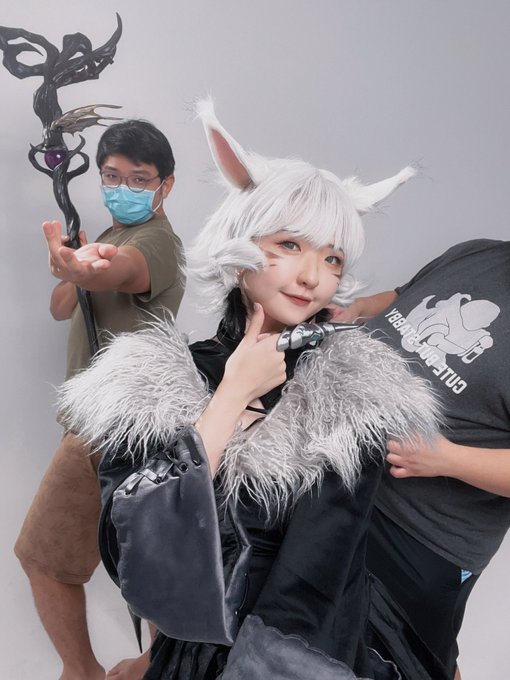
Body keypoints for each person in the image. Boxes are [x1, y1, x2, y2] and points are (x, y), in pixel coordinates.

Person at [57, 101, 439, 680]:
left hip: (294, 657)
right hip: (189, 657)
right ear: (239, 247)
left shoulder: (351, 396)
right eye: (290, 245)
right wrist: (232, 395)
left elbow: (318, 574)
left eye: (332, 258)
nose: (312, 275)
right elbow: (132, 541)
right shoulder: (157, 379)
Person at [14, 119, 185, 680]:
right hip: (92, 427)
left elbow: (124, 273)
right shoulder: (111, 235)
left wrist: (93, 269)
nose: (121, 188)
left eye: (139, 179)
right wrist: (73, 266)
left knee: (128, 565)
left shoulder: (155, 243)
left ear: (165, 185)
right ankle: (101, 669)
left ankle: (133, 669)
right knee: (70, 558)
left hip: (125, 428)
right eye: (111, 176)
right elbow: (60, 307)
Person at [334, 239, 510, 679]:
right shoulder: (478, 252)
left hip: (421, 537)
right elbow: (401, 300)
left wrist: (446, 459)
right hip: (343, 480)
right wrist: (357, 310)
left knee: (412, 664)